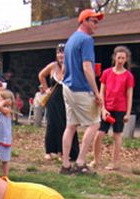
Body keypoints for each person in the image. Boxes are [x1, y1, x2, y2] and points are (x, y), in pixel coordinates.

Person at [61, 8, 104, 175]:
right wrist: (97, 92)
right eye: (94, 21)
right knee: (95, 123)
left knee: (71, 125)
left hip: (67, 87)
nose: (96, 25)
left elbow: (65, 68)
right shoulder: (86, 40)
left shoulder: (70, 40)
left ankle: (65, 165)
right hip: (80, 89)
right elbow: (87, 68)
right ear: (84, 21)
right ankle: (80, 163)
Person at [91, 45, 134, 170]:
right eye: (118, 57)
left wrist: (128, 113)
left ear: (126, 60)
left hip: (120, 109)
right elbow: (101, 92)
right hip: (106, 108)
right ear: (114, 57)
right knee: (99, 134)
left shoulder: (128, 76)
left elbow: (129, 95)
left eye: (123, 58)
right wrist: (103, 109)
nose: (120, 60)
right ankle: (95, 160)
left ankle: (115, 163)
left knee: (117, 135)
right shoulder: (106, 73)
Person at [38, 43, 79, 162]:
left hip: (67, 99)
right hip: (53, 99)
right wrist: (46, 89)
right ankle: (49, 150)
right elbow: (41, 75)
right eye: (59, 52)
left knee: (65, 124)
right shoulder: (53, 66)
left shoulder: (71, 66)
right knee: (52, 124)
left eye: (63, 52)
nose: (61, 55)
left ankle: (63, 151)